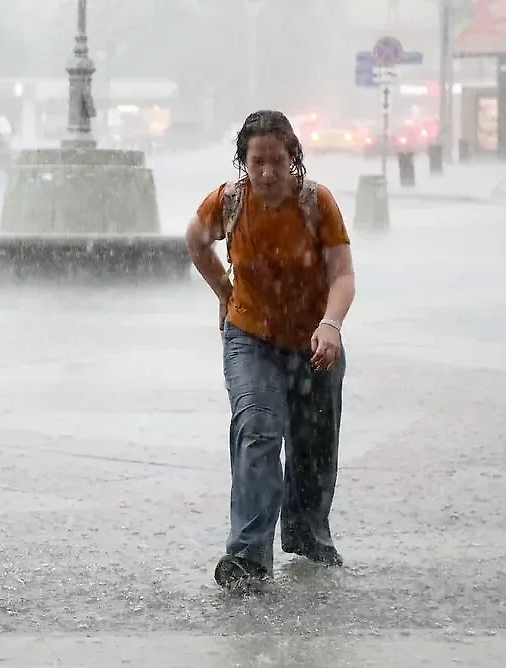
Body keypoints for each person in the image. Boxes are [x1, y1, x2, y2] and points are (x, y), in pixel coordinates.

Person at [185, 110, 356, 589]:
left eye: (276, 161)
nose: (266, 173)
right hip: (251, 339)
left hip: (314, 342)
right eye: (256, 162)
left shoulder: (316, 202)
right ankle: (247, 558)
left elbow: (342, 274)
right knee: (258, 428)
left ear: (293, 159)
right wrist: (224, 292)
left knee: (315, 444)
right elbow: (195, 242)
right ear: (243, 162)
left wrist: (330, 325)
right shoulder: (229, 202)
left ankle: (307, 534)